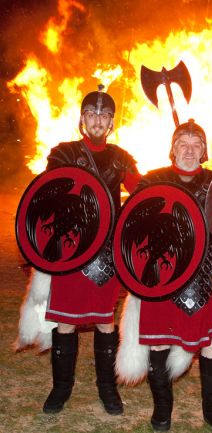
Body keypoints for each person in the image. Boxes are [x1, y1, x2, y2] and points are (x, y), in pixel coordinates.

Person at [16, 86, 141, 415]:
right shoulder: (63, 153)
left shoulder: (120, 157)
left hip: (105, 253)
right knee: (66, 323)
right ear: (82, 119)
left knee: (104, 322)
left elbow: (141, 191)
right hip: (70, 250)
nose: (97, 120)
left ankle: (107, 388)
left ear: (112, 122)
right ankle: (61, 388)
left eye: (104, 115)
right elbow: (47, 196)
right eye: (92, 114)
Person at [116, 119, 212, 433]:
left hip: (206, 274)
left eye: (196, 144)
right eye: (183, 142)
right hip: (161, 275)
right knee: (159, 344)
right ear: (173, 149)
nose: (190, 149)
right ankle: (162, 410)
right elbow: (133, 225)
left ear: (204, 151)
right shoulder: (152, 182)